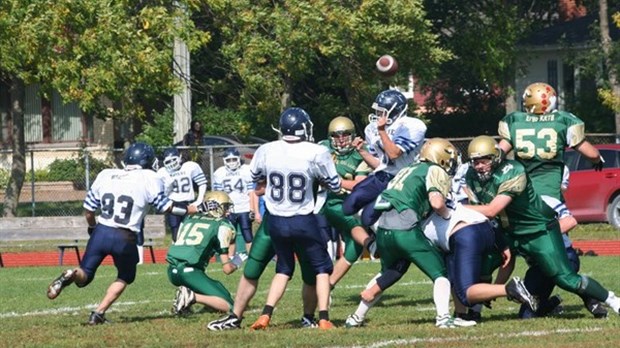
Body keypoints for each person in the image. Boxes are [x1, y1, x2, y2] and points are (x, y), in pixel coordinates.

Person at [344, 138, 534, 328]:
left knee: (391, 270)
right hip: (411, 227)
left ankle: (356, 317)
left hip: (385, 227)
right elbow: (436, 202)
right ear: (440, 157)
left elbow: (376, 207)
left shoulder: (406, 169)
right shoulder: (434, 169)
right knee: (441, 274)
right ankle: (444, 318)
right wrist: (445, 213)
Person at [464, 135, 620, 318]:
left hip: (538, 231)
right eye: (475, 162)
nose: (479, 166)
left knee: (566, 279)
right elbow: (480, 209)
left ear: (496, 157)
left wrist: (454, 207)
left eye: (484, 161)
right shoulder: (472, 176)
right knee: (486, 261)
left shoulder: (513, 170)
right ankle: (474, 312)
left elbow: (492, 209)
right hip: (510, 231)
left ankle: (612, 300)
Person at [46, 142, 198, 325]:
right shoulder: (150, 177)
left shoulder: (106, 174)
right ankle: (98, 313)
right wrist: (192, 209)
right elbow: (167, 207)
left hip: (101, 231)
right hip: (125, 236)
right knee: (126, 276)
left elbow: (88, 210)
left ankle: (71, 273)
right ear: (146, 160)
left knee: (84, 275)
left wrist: (93, 228)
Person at [497, 82, 607, 318]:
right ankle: (583, 296)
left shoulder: (515, 120)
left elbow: (500, 151)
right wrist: (598, 159)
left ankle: (569, 296)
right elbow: (590, 152)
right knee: (561, 257)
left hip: (520, 196)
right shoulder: (563, 120)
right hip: (547, 198)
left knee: (545, 253)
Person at [247, 107, 341, 330]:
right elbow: (335, 185)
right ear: (303, 128)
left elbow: (255, 178)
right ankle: (324, 318)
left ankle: (266, 314)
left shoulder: (267, 149)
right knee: (321, 269)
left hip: (276, 220)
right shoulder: (316, 151)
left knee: (283, 269)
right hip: (303, 219)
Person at [342, 89, 427, 237]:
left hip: (403, 179)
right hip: (384, 175)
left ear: (395, 112)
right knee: (348, 206)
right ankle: (382, 212)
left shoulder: (412, 126)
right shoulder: (371, 129)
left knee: (368, 217)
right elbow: (380, 163)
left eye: (382, 112)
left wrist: (382, 131)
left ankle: (390, 231)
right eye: (377, 111)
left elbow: (394, 154)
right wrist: (362, 151)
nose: (377, 115)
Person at [167, 191, 248, 315]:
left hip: (172, 271)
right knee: (230, 305)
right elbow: (227, 269)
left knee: (218, 292)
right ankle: (192, 297)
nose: (228, 211)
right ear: (216, 208)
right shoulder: (222, 225)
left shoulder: (189, 218)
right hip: (190, 273)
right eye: (225, 207)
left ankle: (185, 303)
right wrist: (236, 262)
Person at [157, 146, 207, 243]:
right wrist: (167, 187)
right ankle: (176, 252)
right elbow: (161, 194)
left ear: (179, 157)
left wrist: (199, 200)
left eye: (173, 160)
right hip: (173, 205)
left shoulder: (189, 166)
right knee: (175, 233)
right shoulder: (162, 172)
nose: (171, 163)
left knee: (190, 232)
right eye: (168, 162)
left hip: (188, 203)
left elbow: (202, 183)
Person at [212, 147, 255, 251]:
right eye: (229, 160)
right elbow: (219, 195)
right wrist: (223, 210)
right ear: (224, 161)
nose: (232, 162)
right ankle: (230, 258)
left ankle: (252, 258)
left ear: (238, 158)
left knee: (248, 235)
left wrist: (253, 208)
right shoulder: (219, 173)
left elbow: (251, 192)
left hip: (244, 207)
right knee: (230, 236)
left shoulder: (246, 170)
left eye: (234, 159)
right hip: (229, 209)